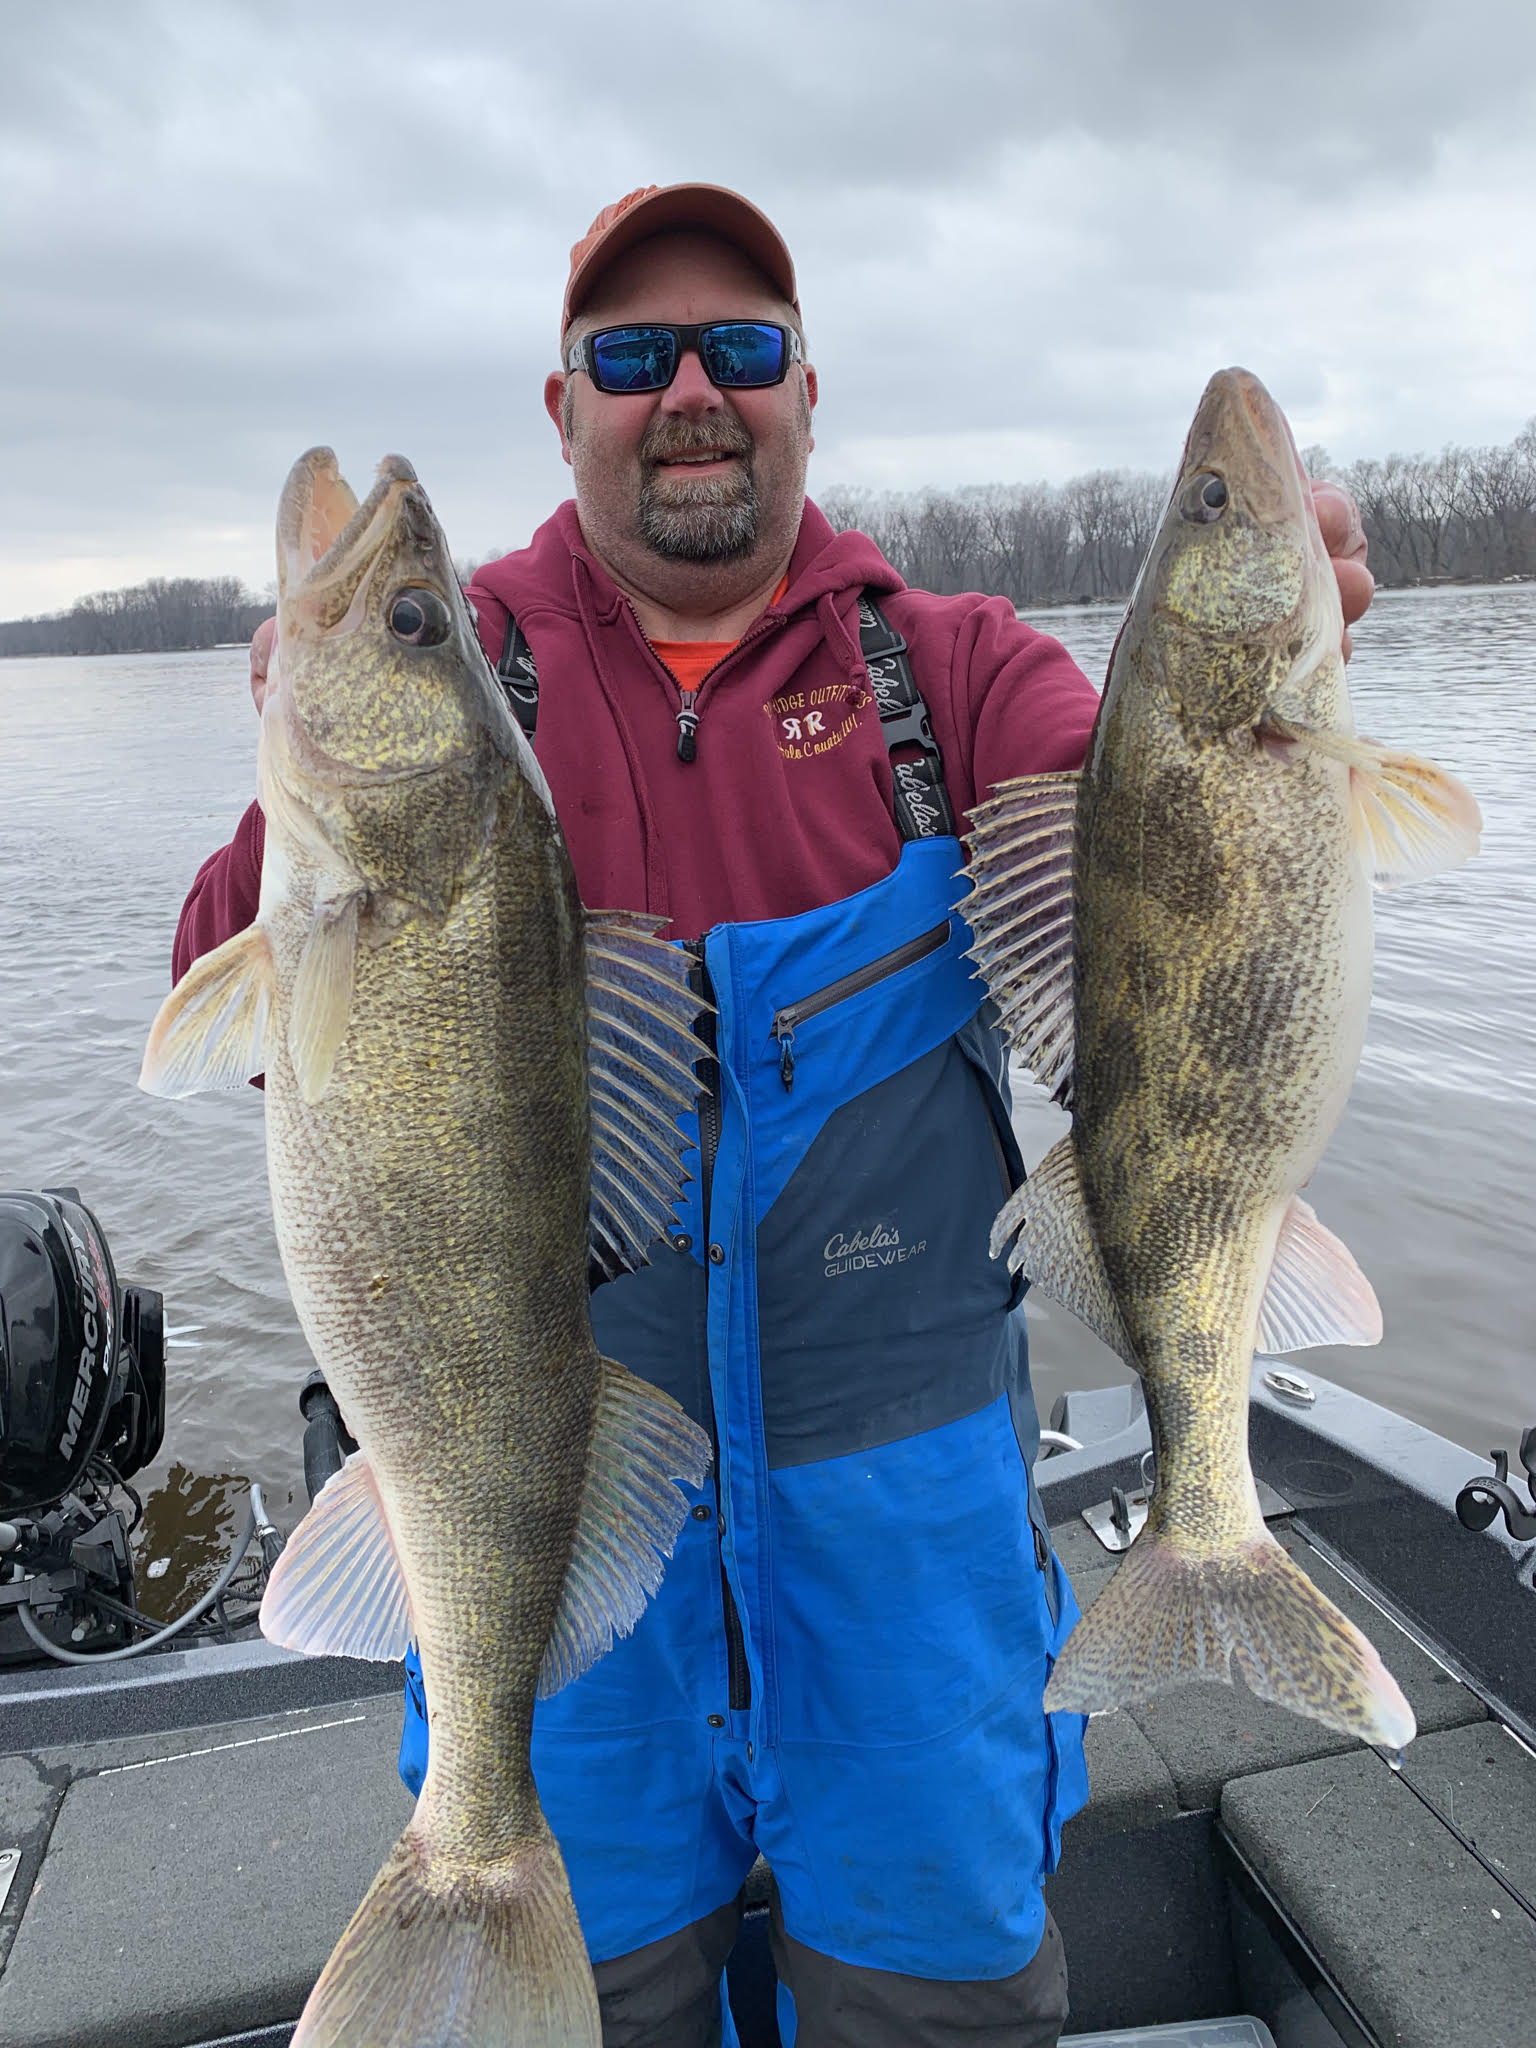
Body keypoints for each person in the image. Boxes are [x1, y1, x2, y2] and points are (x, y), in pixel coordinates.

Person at [174, 184, 1375, 2048]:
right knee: (604, 1992)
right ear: (561, 407)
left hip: (907, 1558)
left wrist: (1240, 718)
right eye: (632, 357)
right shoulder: (473, 669)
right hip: (565, 1544)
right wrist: (299, 819)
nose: (691, 395)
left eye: (738, 349)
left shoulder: (954, 672)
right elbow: (234, 1009)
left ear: (808, 388)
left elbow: (1158, 868)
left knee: (936, 2002)